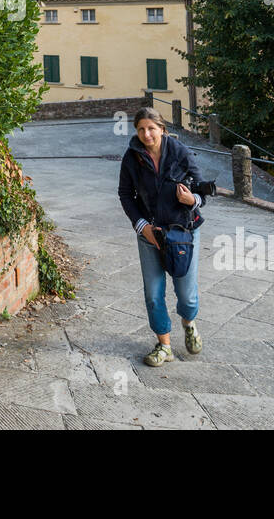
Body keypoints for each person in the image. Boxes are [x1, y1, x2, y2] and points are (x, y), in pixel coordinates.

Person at [117, 106, 206, 366]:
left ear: (162, 130)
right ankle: (164, 345)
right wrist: (141, 225)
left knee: (186, 295)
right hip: (150, 233)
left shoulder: (180, 152)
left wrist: (192, 199)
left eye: (151, 129)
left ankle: (189, 323)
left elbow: (202, 190)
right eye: (141, 129)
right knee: (154, 294)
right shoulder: (132, 157)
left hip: (183, 233)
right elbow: (125, 194)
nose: (146, 134)